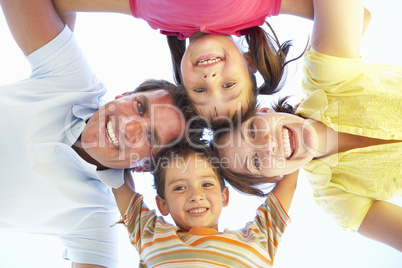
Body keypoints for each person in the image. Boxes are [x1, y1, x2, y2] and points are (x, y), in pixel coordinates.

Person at [0, 0, 190, 267]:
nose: (128, 127)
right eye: (139, 107)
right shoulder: (72, 82)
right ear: (124, 95)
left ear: (144, 167)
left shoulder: (96, 218)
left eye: (149, 138)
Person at [214, 0, 402, 251]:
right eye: (256, 162)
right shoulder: (336, 198)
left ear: (264, 111)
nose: (267, 144)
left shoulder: (324, 78)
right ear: (274, 178)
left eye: (251, 131)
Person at [52, 0, 317, 123]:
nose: (211, 80)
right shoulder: (259, 7)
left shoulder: (149, 12)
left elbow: (58, 4)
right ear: (249, 63)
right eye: (229, 86)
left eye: (199, 91)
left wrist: (59, 68)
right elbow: (356, 20)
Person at [111, 140, 299, 267]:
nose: (196, 195)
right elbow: (118, 182)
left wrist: (296, 130)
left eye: (207, 184)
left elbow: (288, 183)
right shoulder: (151, 235)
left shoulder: (258, 239)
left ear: (224, 196)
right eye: (179, 188)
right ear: (163, 204)